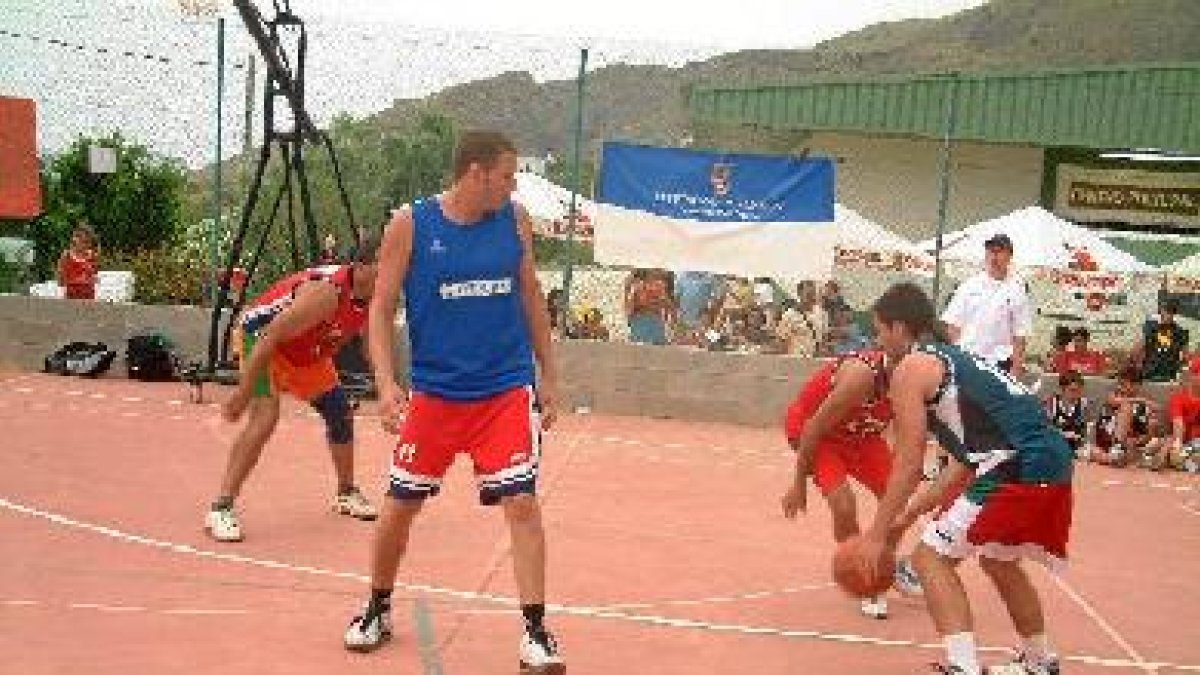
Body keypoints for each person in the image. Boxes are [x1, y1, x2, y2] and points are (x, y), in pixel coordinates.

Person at [343, 131, 565, 673]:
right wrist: (386, 384)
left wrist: (549, 375)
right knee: (400, 506)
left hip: (505, 389)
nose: (513, 186)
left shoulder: (514, 221)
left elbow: (531, 296)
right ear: (475, 173)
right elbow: (381, 308)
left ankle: (536, 633)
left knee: (522, 503)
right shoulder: (412, 224)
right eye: (507, 176)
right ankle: (377, 607)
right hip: (437, 393)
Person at [856, 282, 1073, 675]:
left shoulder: (912, 368)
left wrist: (876, 534)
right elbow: (962, 465)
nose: (878, 340)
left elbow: (908, 463)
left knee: (930, 559)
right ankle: (1040, 661)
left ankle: (963, 666)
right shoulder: (956, 360)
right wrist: (906, 516)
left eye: (879, 330)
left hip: (1016, 463)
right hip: (1049, 459)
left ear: (899, 328)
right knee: (998, 560)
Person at [206, 243, 382, 542]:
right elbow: (270, 336)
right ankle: (221, 507)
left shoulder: (376, 296)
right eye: (387, 264)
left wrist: (389, 387)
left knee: (339, 411)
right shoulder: (326, 293)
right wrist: (243, 393)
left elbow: (371, 347)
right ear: (362, 267)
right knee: (265, 416)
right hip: (260, 340)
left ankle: (346, 493)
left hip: (306, 349)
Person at [781, 349, 923, 620]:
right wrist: (798, 483)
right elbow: (813, 428)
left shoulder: (916, 383)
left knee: (900, 501)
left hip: (862, 437)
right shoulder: (860, 377)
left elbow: (907, 438)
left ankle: (883, 564)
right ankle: (864, 578)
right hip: (821, 435)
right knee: (843, 506)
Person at [941, 233, 1033, 376]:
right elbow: (953, 325)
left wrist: (1016, 369)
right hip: (968, 358)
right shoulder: (969, 286)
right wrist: (949, 360)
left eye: (999, 252)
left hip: (1000, 363)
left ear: (1009, 256)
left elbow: (1020, 334)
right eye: (990, 251)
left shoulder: (1017, 290)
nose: (994, 256)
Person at [1093, 366, 1161, 468]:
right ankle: (1117, 451)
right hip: (1108, 438)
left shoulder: (1144, 408)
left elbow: (1145, 434)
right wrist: (1142, 400)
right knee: (1126, 407)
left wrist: (1137, 441)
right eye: (1121, 383)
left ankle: (1116, 457)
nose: (1122, 386)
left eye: (1125, 383)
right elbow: (1113, 401)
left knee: (1157, 438)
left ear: (1137, 385)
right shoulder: (1114, 395)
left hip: (1130, 442)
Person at [1131, 298, 1190, 383]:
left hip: (1169, 376)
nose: (1167, 315)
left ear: (1174, 314)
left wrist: (1183, 371)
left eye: (1170, 312)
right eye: (1166, 311)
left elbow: (1185, 356)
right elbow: (1139, 346)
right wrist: (1134, 364)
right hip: (1149, 373)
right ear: (1161, 311)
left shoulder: (1180, 332)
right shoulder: (1151, 327)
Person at [1162, 356, 1200, 472]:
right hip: (1186, 442)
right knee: (1170, 448)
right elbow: (1178, 424)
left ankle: (1187, 461)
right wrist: (1177, 444)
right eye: (1197, 374)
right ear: (1192, 377)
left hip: (1196, 443)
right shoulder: (1178, 398)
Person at [1044, 371, 1090, 458]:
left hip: (1077, 448)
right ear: (1062, 389)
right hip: (1055, 446)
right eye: (1072, 390)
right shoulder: (1051, 403)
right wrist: (1063, 434)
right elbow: (1045, 429)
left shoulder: (1084, 404)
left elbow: (1087, 430)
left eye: (1079, 391)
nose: (1076, 394)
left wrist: (1081, 438)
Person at [57, 223, 99, 300]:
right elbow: (60, 281)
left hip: (88, 297)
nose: (86, 245)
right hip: (72, 297)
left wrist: (91, 279)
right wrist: (74, 280)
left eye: (87, 242)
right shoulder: (66, 256)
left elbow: (94, 276)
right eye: (78, 237)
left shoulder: (92, 256)